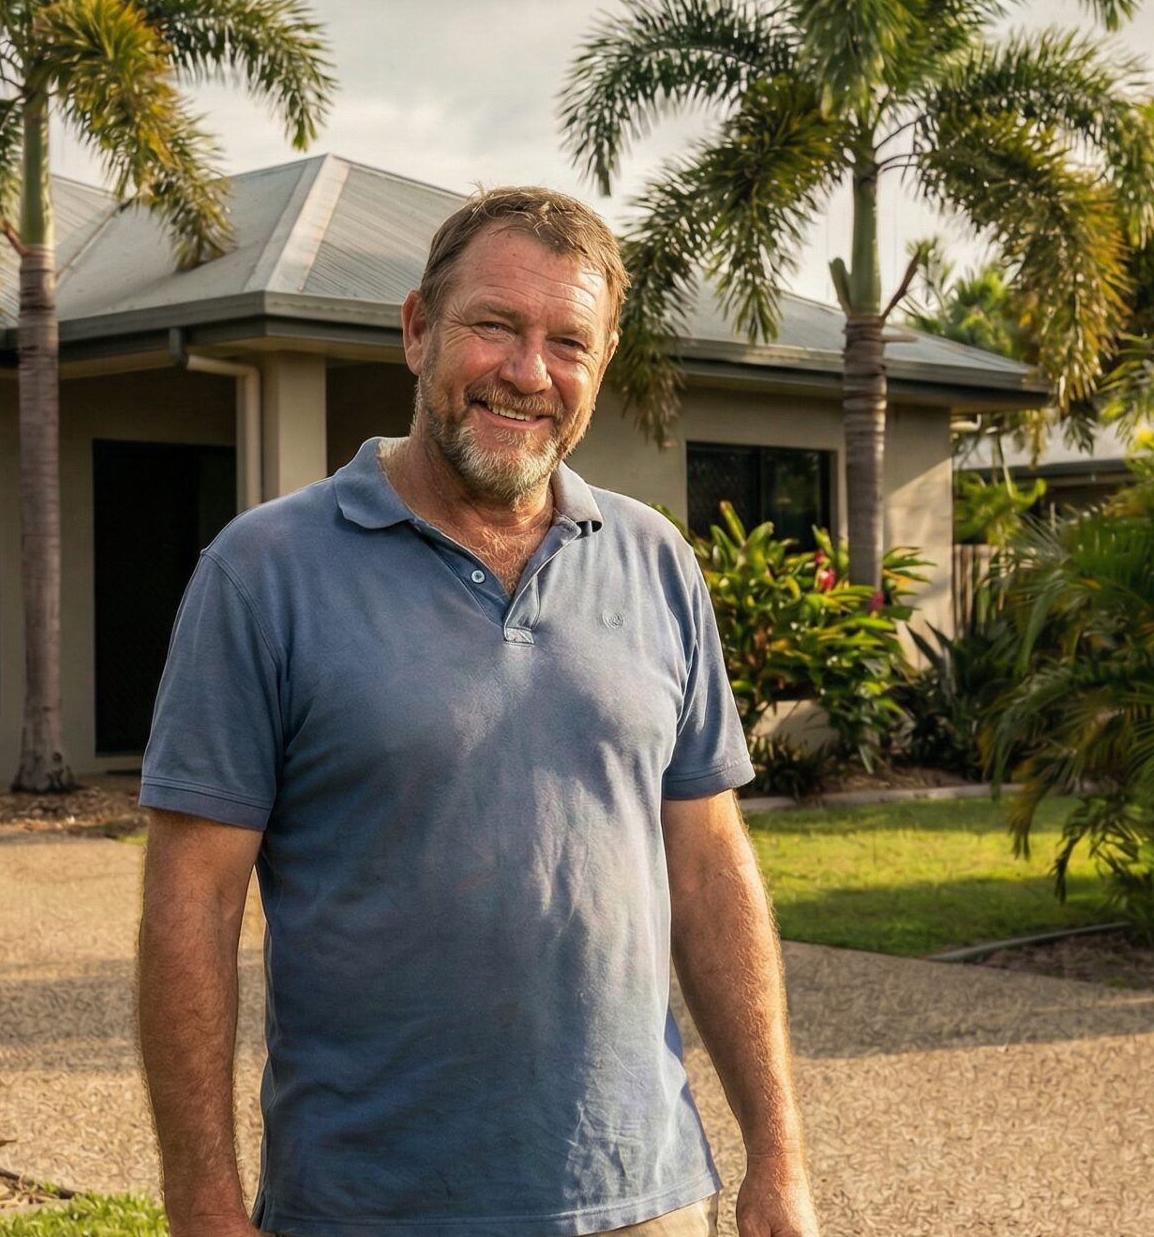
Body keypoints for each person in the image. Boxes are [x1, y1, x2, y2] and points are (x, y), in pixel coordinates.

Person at [135, 186, 819, 1237]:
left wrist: (775, 1151)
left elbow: (710, 867)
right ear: (418, 330)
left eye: (567, 342)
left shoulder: (654, 561)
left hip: (645, 1198)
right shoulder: (264, 573)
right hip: (369, 1208)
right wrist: (204, 1205)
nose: (527, 371)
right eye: (495, 325)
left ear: (600, 367)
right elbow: (193, 904)